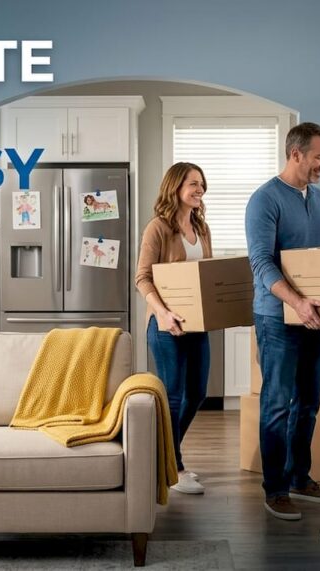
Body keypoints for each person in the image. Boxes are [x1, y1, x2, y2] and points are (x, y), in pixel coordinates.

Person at [246, 122, 320, 521]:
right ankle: (275, 489)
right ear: (296, 154)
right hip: (277, 319)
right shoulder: (264, 200)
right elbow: (261, 264)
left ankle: (301, 478)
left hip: (313, 317)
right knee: (276, 404)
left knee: (309, 401)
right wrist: (297, 302)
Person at [135, 162, 213, 495]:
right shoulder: (158, 227)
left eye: (201, 184)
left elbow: (206, 275)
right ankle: (173, 467)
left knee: (197, 392)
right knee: (175, 397)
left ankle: (159, 456)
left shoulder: (202, 228)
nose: (199, 190)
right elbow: (142, 278)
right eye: (193, 184)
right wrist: (164, 314)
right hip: (166, 325)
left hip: (198, 324)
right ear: (175, 187)